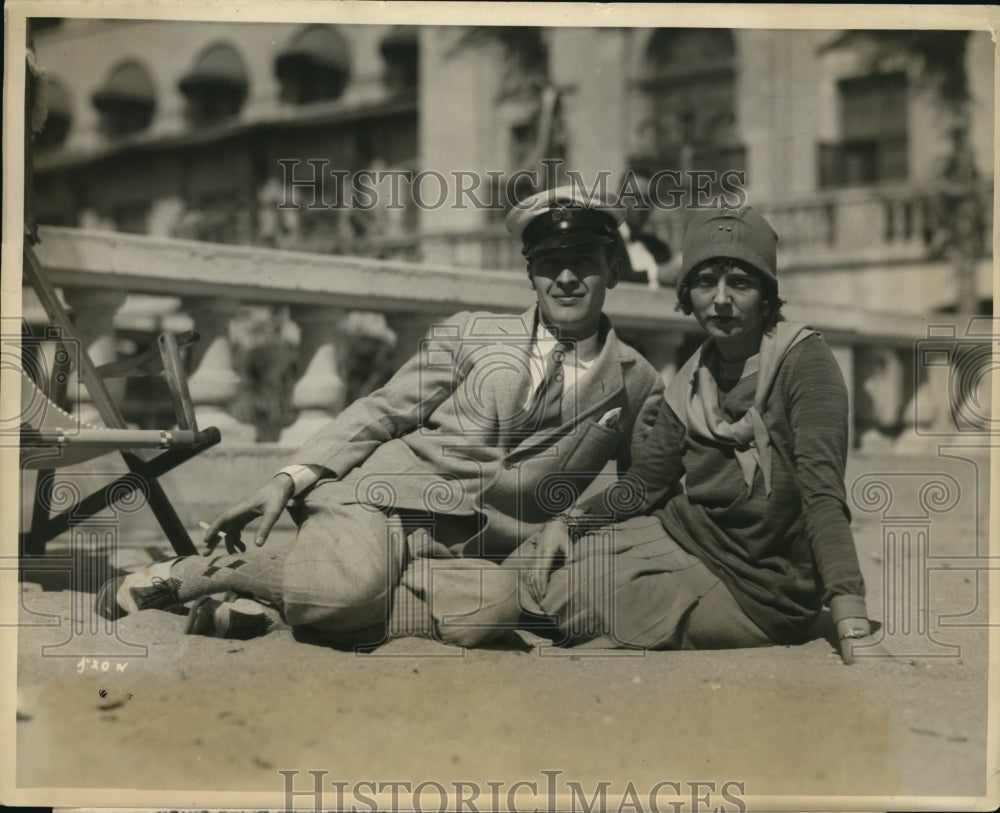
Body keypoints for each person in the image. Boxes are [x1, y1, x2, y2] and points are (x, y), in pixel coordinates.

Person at [96, 186, 665, 648]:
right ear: (531, 275)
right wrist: (290, 475)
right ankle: (194, 574)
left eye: (583, 263)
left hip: (475, 549)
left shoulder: (636, 379)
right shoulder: (472, 333)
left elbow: (643, 480)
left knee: (496, 609)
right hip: (382, 498)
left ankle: (270, 608)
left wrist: (577, 521)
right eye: (549, 264)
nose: (566, 279)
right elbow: (383, 410)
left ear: (613, 270)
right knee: (347, 595)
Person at [517, 205, 878, 664]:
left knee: (566, 598)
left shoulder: (804, 363)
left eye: (740, 283)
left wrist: (850, 620)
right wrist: (568, 521)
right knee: (535, 561)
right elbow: (645, 485)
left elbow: (823, 495)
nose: (721, 301)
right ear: (687, 293)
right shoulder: (695, 374)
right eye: (706, 283)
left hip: (757, 586)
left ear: (767, 293)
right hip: (684, 537)